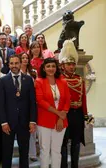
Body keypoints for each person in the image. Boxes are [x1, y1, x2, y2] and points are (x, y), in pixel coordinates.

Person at [0, 54, 37, 168]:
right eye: (11, 63)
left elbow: (32, 102)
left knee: (24, 152)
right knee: (7, 153)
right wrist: (3, 122)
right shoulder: (3, 80)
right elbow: (1, 103)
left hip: (24, 122)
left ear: (20, 63)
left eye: (16, 63)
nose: (14, 66)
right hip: (8, 123)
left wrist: (32, 121)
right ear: (8, 65)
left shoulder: (28, 79)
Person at [35, 57, 70, 168]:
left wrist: (61, 117)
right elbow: (40, 101)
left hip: (61, 121)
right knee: (45, 150)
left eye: (53, 66)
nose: (51, 68)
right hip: (44, 121)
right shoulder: (39, 81)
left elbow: (67, 100)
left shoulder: (63, 81)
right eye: (48, 66)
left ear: (56, 68)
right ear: (44, 68)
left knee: (56, 150)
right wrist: (58, 113)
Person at [59, 39, 88, 168]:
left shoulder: (79, 79)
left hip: (77, 114)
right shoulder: (60, 80)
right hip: (65, 114)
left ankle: (75, 166)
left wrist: (85, 115)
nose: (71, 66)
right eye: (68, 64)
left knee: (76, 142)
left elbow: (84, 100)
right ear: (63, 65)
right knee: (63, 142)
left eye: (73, 64)